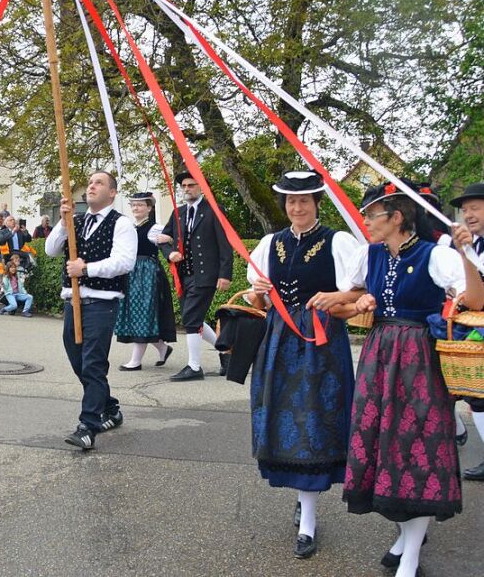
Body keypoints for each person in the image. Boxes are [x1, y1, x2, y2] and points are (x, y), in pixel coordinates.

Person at [337, 182, 484, 577]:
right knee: (383, 447)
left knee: (415, 447)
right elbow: (347, 303)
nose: (365, 220)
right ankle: (405, 537)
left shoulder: (435, 255)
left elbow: (475, 301)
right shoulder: (368, 256)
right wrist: (352, 303)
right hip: (379, 352)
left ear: (397, 217)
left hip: (418, 358)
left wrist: (467, 254)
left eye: (372, 214)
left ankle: (412, 556)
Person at [243, 171, 361, 559]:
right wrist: (256, 293)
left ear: (316, 203)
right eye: (292, 202)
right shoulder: (269, 244)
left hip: (321, 342)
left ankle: (308, 521)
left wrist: (335, 294)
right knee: (284, 420)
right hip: (279, 340)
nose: (297, 208)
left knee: (313, 420)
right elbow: (256, 304)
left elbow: (361, 291)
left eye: (305, 201)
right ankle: (302, 500)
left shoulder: (338, 241)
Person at [45, 171, 136, 450]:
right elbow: (50, 250)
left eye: (99, 183)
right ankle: (109, 407)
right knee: (79, 363)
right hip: (72, 302)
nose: (92, 186)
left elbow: (124, 262)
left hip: (101, 303)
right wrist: (63, 223)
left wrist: (86, 268)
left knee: (93, 364)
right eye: (90, 182)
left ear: (112, 193)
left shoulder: (122, 224)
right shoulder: (77, 220)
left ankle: (87, 426)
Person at [160, 172, 234, 381]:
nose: (186, 189)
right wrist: (170, 253)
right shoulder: (178, 213)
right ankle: (226, 350)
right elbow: (162, 239)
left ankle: (194, 367)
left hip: (206, 274)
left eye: (191, 185)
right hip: (184, 275)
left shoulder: (214, 210)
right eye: (183, 186)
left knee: (191, 319)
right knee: (196, 319)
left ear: (201, 187)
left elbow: (225, 244)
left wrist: (225, 274)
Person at [116, 192, 176, 370]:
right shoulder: (129, 227)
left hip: (147, 274)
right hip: (131, 272)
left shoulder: (155, 228)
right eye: (134, 205)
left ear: (149, 208)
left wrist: (171, 242)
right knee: (135, 313)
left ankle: (136, 361)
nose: (136, 208)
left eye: (140, 205)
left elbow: (169, 243)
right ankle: (163, 348)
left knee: (142, 312)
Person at [449, 181, 484, 482]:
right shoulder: (471, 246)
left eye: (475, 208)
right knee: (478, 398)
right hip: (476, 331)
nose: (468, 214)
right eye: (465, 210)